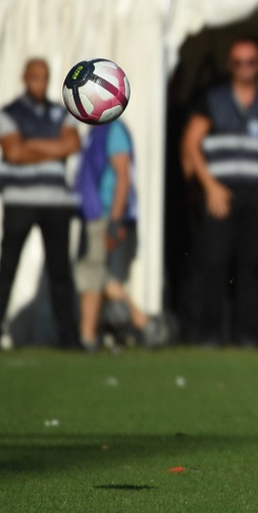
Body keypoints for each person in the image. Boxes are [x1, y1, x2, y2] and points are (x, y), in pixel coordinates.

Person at [181, 38, 258, 346]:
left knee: (252, 265)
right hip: (222, 190)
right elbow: (190, 143)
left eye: (251, 62)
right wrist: (209, 187)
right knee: (214, 263)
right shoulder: (214, 97)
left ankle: (246, 334)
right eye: (238, 62)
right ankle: (209, 333)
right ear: (229, 65)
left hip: (257, 192)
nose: (244, 68)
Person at [0, 59, 80, 349]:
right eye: (35, 77)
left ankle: (68, 337)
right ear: (25, 78)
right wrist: (53, 147)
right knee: (8, 266)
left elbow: (72, 144)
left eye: (45, 78)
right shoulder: (7, 113)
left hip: (56, 201)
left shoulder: (61, 113)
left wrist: (31, 144)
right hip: (20, 200)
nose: (40, 83)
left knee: (60, 271)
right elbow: (13, 152)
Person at [74, 121, 165, 350]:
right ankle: (141, 323)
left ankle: (88, 335)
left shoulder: (112, 130)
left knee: (93, 274)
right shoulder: (96, 131)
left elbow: (123, 175)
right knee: (99, 276)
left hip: (105, 214)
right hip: (95, 213)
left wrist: (115, 220)